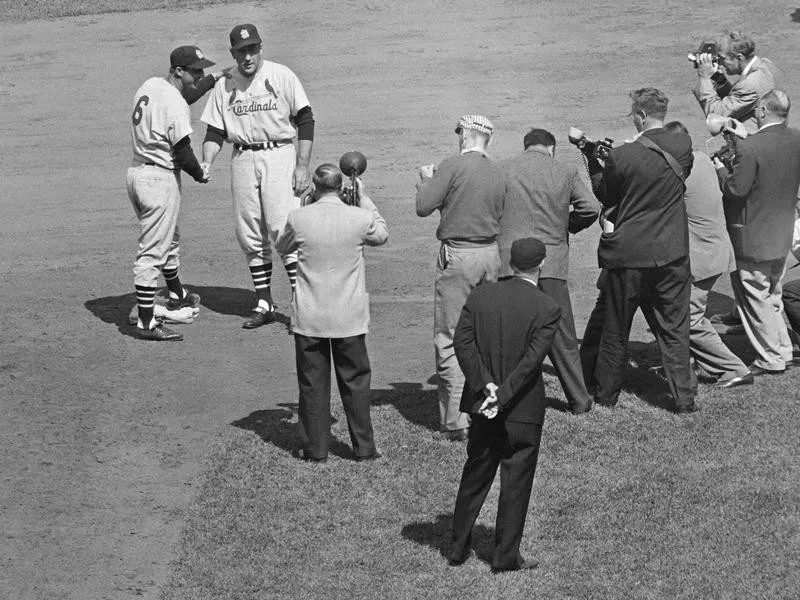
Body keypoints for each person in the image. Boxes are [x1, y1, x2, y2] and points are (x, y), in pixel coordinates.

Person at [449, 238, 560, 572]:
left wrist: (486, 387)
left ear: (511, 263)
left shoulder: (482, 294)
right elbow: (531, 362)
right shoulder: (547, 307)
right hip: (521, 409)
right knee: (516, 483)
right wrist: (504, 395)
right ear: (541, 265)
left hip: (483, 404)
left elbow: (462, 343)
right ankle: (505, 556)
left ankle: (457, 547)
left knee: (475, 473)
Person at [201, 23, 315, 329]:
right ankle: (264, 303)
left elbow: (305, 119)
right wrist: (207, 161)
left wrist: (302, 165)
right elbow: (214, 131)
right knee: (249, 230)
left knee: (283, 228)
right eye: (242, 52)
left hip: (279, 155)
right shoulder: (225, 85)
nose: (248, 57)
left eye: (252, 49)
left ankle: (301, 305)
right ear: (233, 53)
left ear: (260, 48)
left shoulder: (281, 75)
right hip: (242, 157)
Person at [590, 88, 697, 413]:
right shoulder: (683, 145)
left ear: (639, 115)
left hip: (629, 254)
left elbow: (608, 196)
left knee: (616, 329)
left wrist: (597, 165)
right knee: (675, 329)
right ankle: (684, 399)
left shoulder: (622, 156)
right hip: (671, 253)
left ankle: (606, 395)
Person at [275, 164, 387, 462]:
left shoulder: (299, 217)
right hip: (348, 317)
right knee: (356, 384)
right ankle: (364, 449)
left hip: (311, 317)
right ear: (341, 188)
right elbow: (381, 235)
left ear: (315, 187)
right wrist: (363, 199)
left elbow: (281, 245)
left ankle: (315, 450)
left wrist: (304, 204)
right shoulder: (359, 217)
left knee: (312, 384)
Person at [415, 114, 506, 441]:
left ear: (464, 137)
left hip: (459, 257)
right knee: (484, 336)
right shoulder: (498, 171)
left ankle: (455, 423)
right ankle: (486, 407)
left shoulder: (451, 166)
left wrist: (427, 179)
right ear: (489, 141)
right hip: (491, 256)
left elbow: (423, 206)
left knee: (450, 337)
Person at [498, 128, 600, 414]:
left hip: (510, 261)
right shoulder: (565, 171)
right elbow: (591, 207)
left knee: (510, 332)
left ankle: (506, 397)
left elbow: (491, 208)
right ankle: (579, 399)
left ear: (526, 146)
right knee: (562, 333)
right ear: (552, 149)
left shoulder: (503, 168)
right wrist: (566, 226)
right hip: (552, 262)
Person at [127, 45, 218, 341]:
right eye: (196, 71)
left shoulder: (151, 85)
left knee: (169, 237)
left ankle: (176, 293)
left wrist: (213, 79)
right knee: (152, 250)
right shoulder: (175, 105)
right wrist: (200, 173)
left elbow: (184, 94)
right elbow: (183, 151)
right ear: (178, 71)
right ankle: (145, 321)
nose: (199, 75)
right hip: (159, 180)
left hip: (137, 173)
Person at [714, 90, 800, 375]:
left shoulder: (751, 148)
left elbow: (736, 190)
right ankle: (783, 349)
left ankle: (771, 358)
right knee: (772, 295)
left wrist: (721, 170)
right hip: (782, 234)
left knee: (755, 299)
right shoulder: (796, 138)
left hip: (751, 237)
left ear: (762, 110)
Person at [664, 121, 752, 388]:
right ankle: (683, 360)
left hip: (702, 255)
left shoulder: (681, 172)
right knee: (682, 311)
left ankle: (733, 369)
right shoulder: (701, 159)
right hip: (714, 249)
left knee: (689, 316)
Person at [694, 30, 780, 134]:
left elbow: (716, 114)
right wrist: (717, 78)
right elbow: (736, 100)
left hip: (752, 143)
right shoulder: (765, 65)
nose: (720, 63)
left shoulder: (750, 84)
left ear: (739, 58)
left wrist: (705, 78)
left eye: (722, 58)